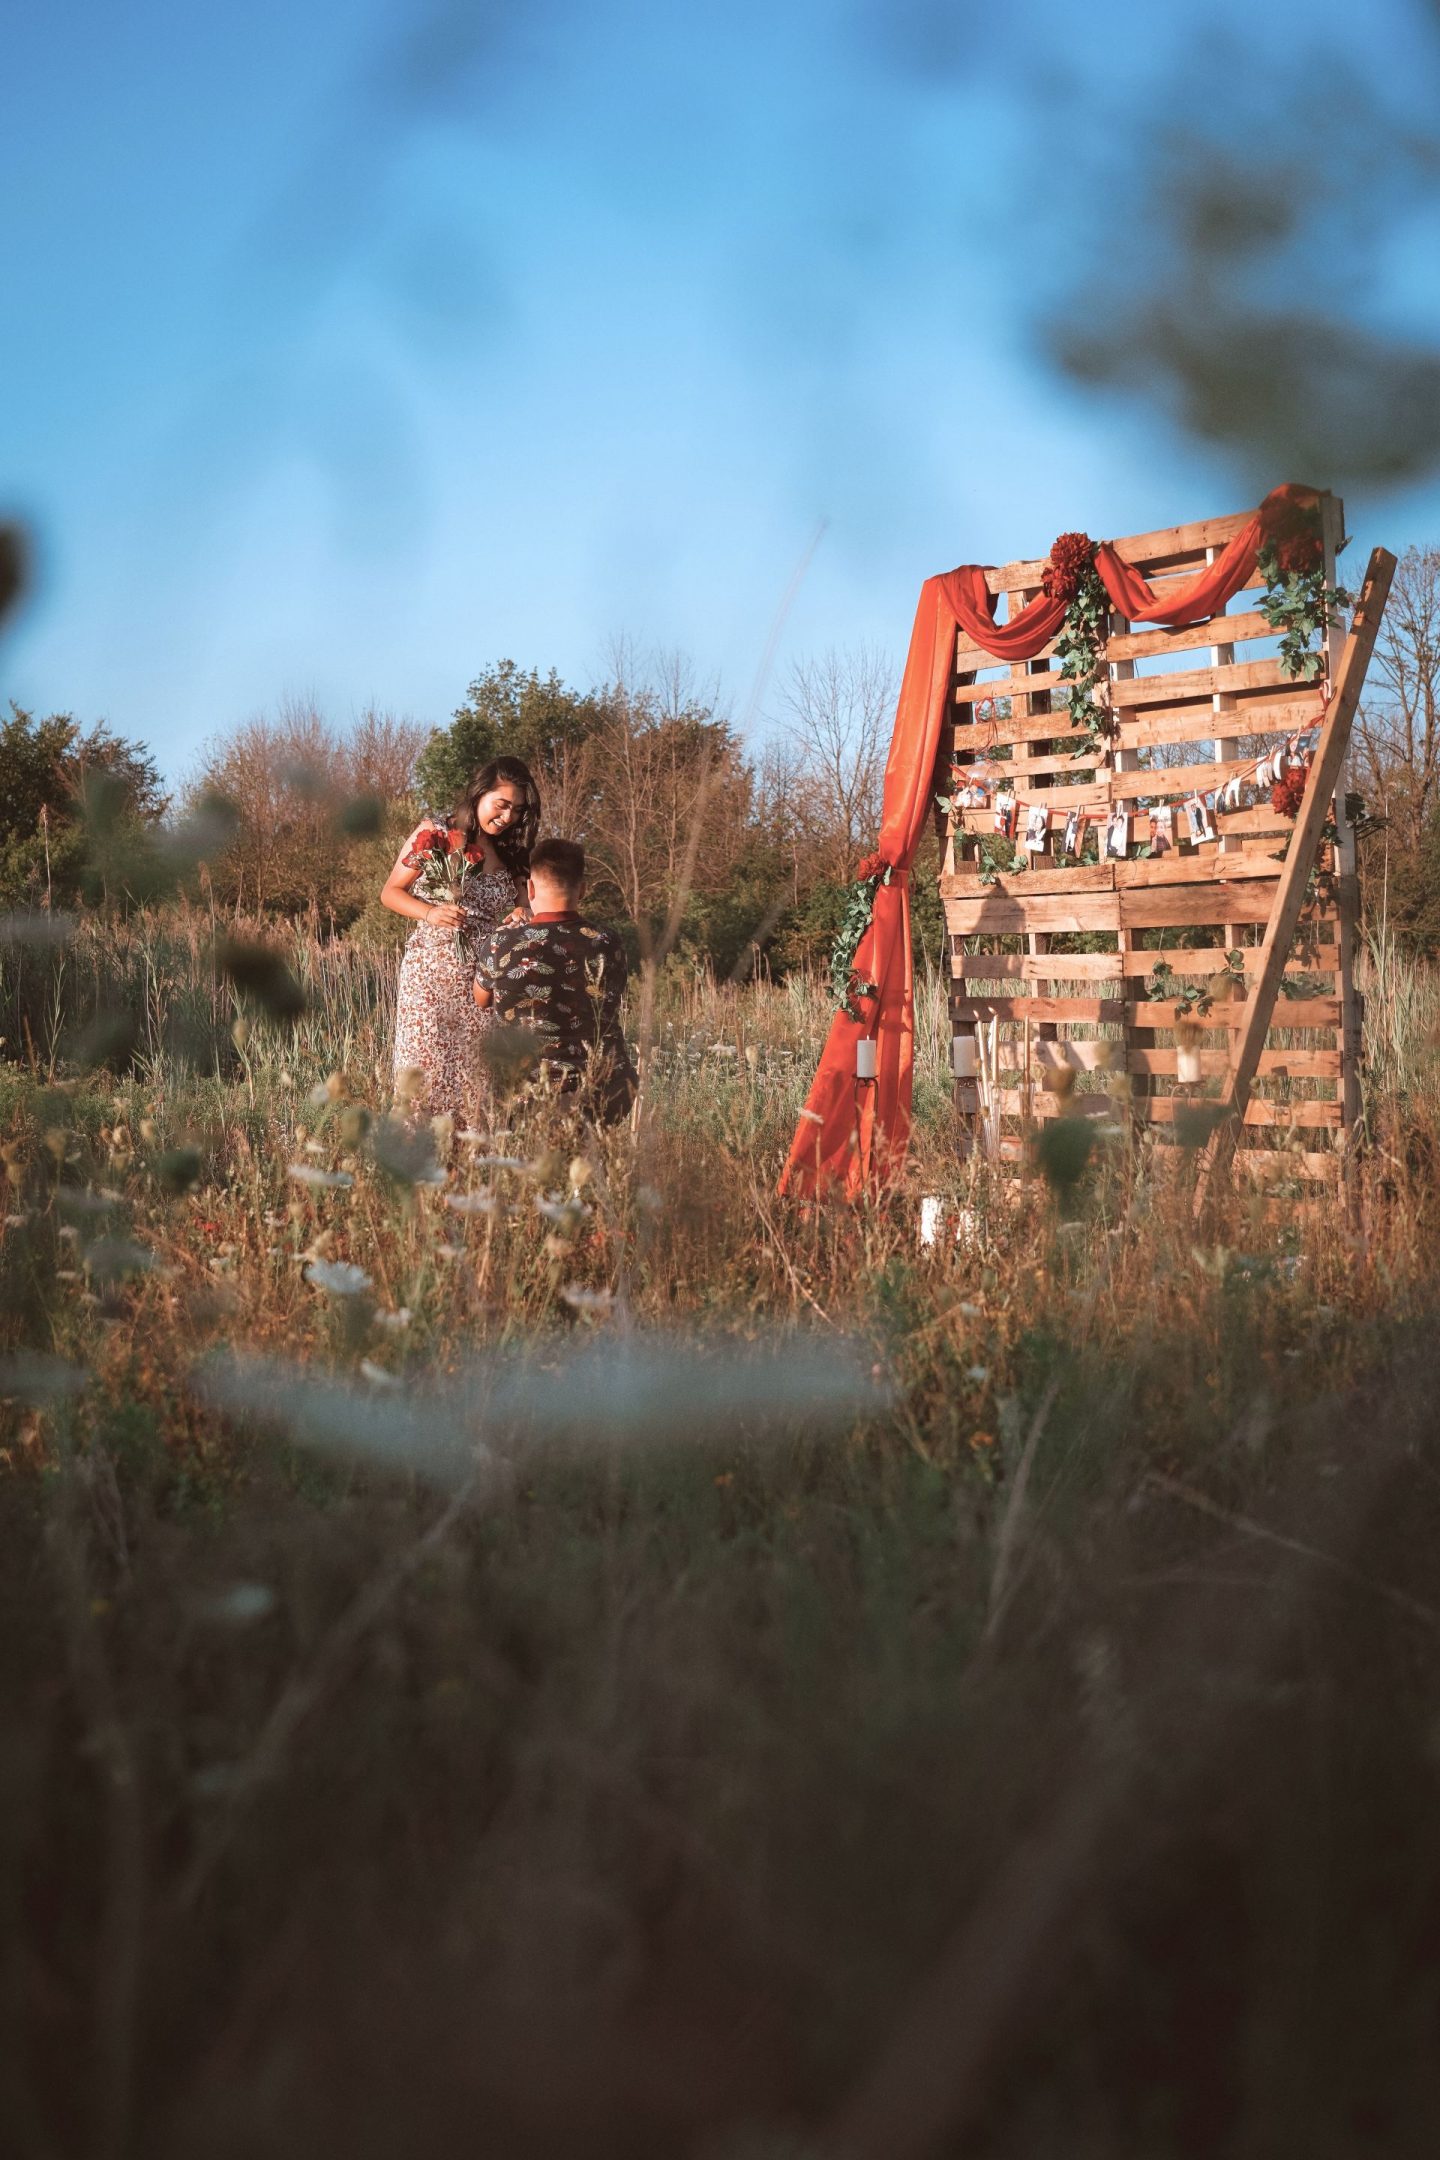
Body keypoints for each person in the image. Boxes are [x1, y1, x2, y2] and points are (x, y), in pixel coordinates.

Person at [380, 756, 540, 1124]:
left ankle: (466, 1170)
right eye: (501, 805)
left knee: (475, 1081)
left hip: (483, 983)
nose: (507, 817)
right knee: (425, 1076)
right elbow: (390, 893)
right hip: (431, 974)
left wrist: (519, 915)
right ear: (480, 794)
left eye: (516, 811)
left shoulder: (513, 853)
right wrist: (430, 912)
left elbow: (525, 907)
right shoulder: (434, 832)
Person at [471, 837, 636, 1125]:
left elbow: (481, 998)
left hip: (525, 1095)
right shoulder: (608, 941)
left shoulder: (503, 942)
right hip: (603, 1089)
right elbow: (613, 994)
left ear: (530, 888)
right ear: (582, 889)